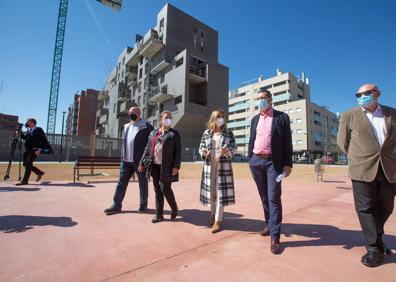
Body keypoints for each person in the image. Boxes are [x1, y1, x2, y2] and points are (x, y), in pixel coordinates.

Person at [337, 83, 396, 267]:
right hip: (361, 169)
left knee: (385, 207)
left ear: (377, 94)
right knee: (365, 209)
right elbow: (342, 142)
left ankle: (376, 238)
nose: (361, 97)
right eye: (358, 95)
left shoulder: (392, 114)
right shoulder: (349, 115)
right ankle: (374, 249)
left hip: (389, 168)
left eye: (366, 93)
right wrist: (358, 157)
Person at [248, 88, 293, 254]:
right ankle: (269, 224)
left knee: (274, 198)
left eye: (263, 97)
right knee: (264, 197)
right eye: (258, 98)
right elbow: (252, 139)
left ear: (270, 99)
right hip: (256, 161)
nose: (261, 101)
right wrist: (250, 158)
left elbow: (288, 142)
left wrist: (288, 164)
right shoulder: (254, 119)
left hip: (273, 164)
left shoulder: (281, 117)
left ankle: (275, 237)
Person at [104, 107, 153, 214]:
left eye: (134, 113)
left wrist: (146, 158)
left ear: (139, 114)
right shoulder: (126, 126)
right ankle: (116, 205)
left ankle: (143, 205)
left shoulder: (147, 126)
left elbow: (151, 143)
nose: (131, 115)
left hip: (140, 161)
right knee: (121, 183)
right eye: (130, 113)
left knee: (143, 183)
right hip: (126, 161)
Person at [139, 111, 181, 223]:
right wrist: (141, 163)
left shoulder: (174, 134)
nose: (169, 119)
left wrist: (176, 166)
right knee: (157, 190)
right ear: (161, 120)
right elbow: (147, 149)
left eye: (170, 118)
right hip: (154, 166)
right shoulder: (153, 133)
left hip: (167, 167)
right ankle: (159, 215)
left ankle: (174, 207)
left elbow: (178, 152)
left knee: (165, 188)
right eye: (166, 117)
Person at [199, 109, 237, 233]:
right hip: (210, 167)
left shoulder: (228, 133)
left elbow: (234, 148)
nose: (221, 119)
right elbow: (201, 147)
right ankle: (212, 214)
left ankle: (217, 221)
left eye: (222, 117)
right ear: (213, 119)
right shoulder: (207, 133)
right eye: (218, 117)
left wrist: (228, 152)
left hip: (223, 167)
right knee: (211, 193)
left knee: (221, 194)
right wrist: (204, 153)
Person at [16, 118, 49, 185]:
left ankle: (25, 181)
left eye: (28, 122)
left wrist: (39, 149)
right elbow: (26, 138)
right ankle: (39, 172)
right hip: (27, 150)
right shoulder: (29, 130)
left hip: (35, 150)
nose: (27, 123)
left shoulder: (38, 130)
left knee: (28, 164)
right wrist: (20, 133)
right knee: (26, 164)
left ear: (32, 123)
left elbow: (44, 140)